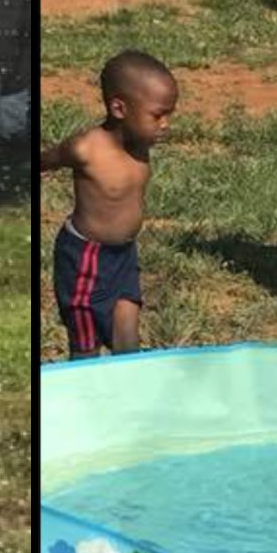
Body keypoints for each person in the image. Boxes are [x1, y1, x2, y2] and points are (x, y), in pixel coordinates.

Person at [38, 51, 175, 355]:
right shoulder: (86, 148)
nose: (165, 124)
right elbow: (49, 158)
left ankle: (127, 395)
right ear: (118, 108)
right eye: (157, 115)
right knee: (86, 343)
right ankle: (86, 392)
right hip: (86, 258)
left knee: (126, 336)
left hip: (123, 255)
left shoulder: (139, 144)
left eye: (169, 115)